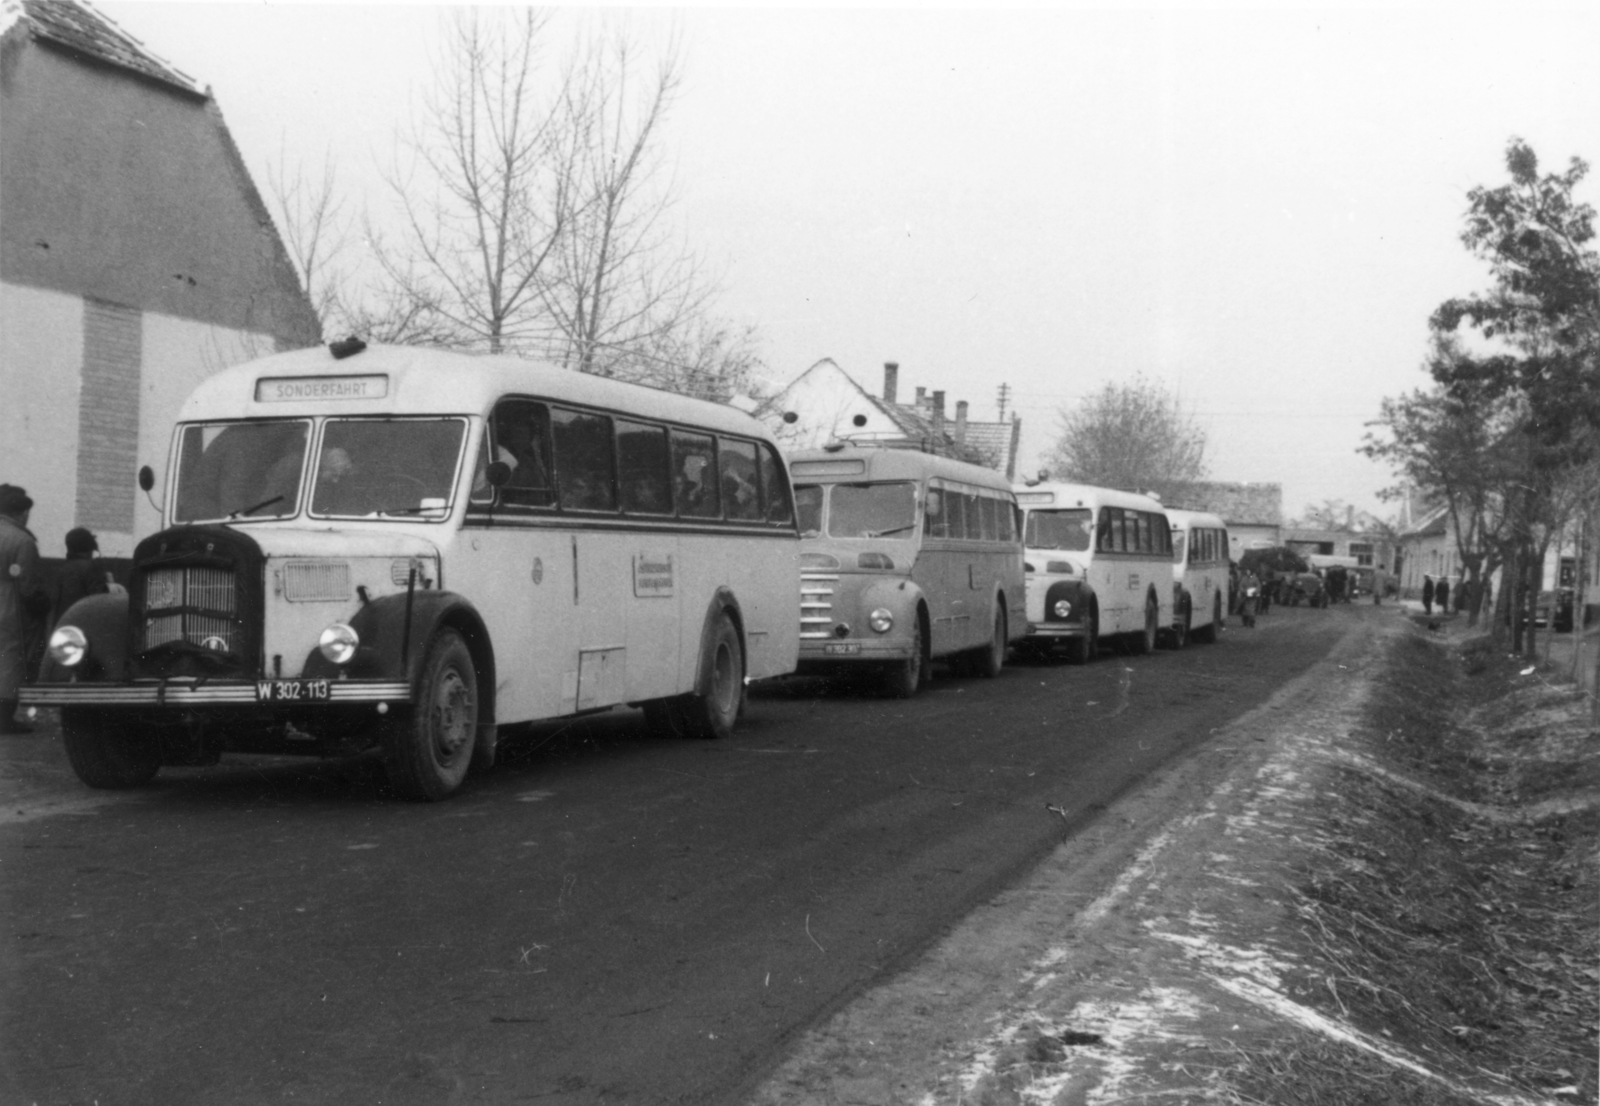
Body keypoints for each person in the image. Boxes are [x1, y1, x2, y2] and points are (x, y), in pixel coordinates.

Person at [0, 485, 49, 734]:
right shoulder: (22, 541)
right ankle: (5, 719)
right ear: (21, 513)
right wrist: (41, 607)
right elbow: (27, 584)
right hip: (11, 607)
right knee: (13, 660)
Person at [53, 527, 108, 629]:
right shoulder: (91, 568)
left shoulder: (62, 569)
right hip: (83, 625)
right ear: (89, 548)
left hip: (62, 624)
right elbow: (99, 600)